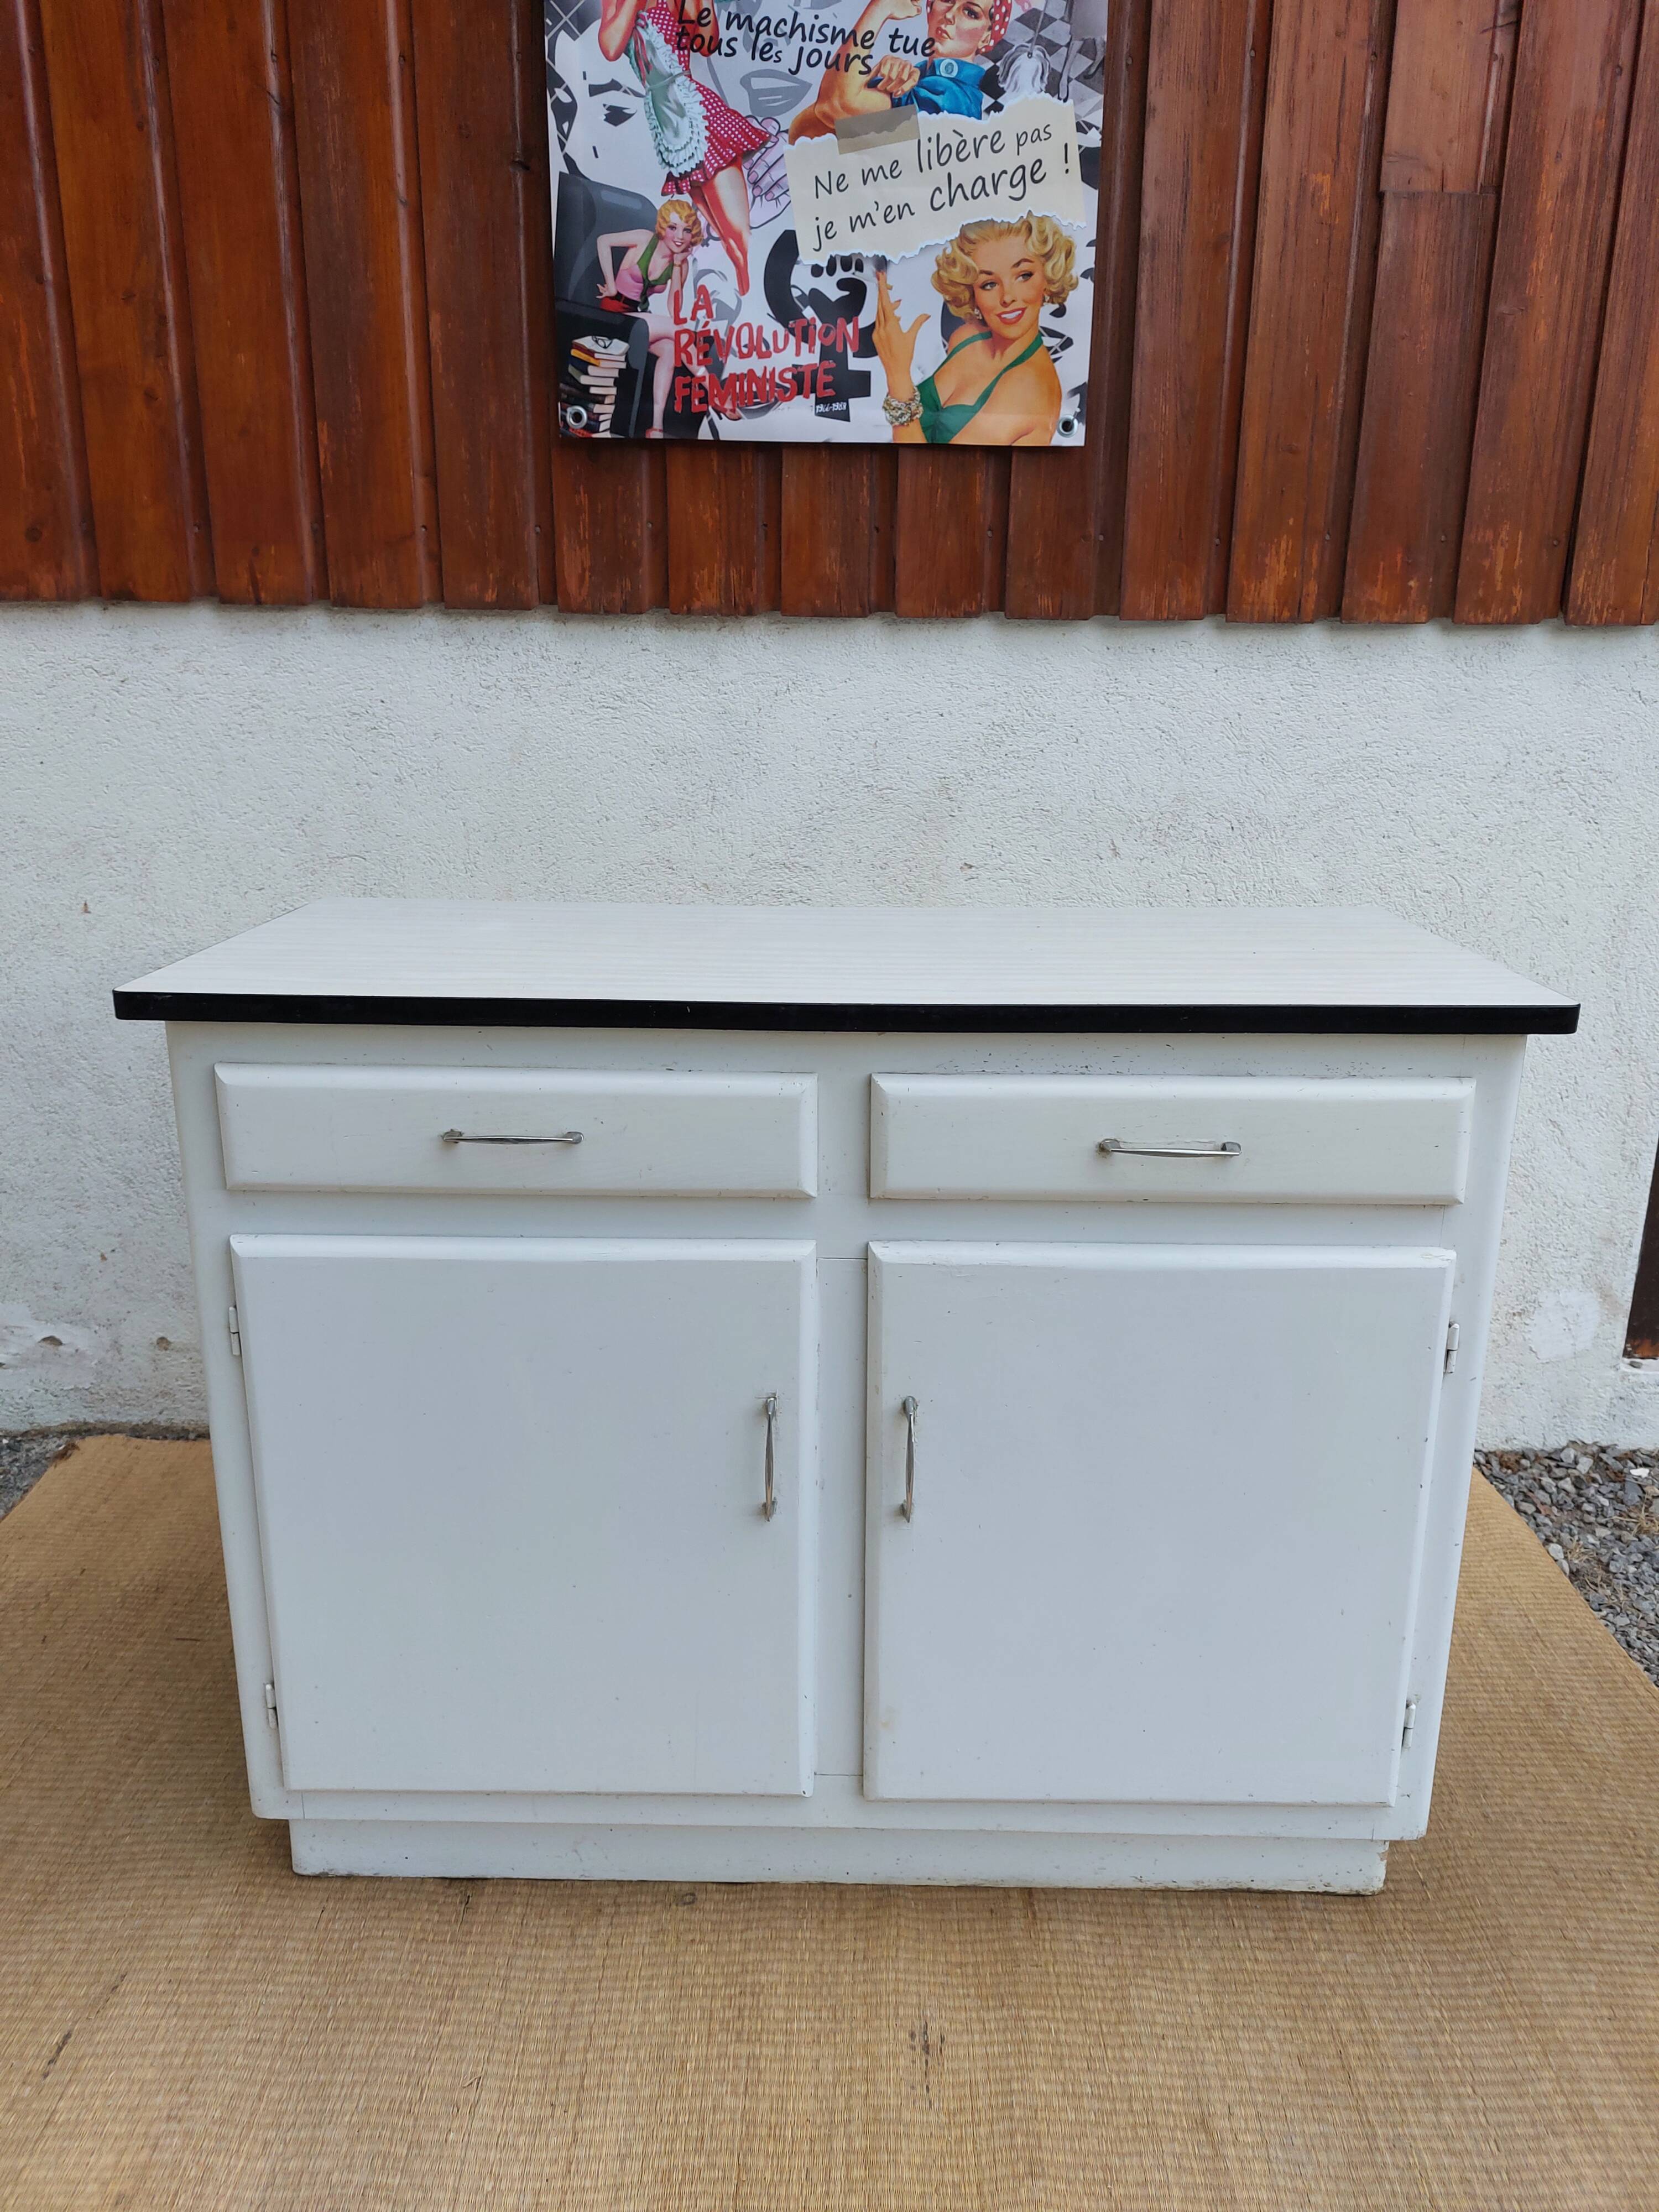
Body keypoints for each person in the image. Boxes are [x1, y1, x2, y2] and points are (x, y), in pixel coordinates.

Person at [598, 0, 767, 293]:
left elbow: (707, 41)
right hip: (668, 124)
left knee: (738, 236)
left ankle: (751, 296)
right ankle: (743, 297)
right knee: (725, 236)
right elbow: (611, 49)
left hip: (696, 114)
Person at [873, 215, 1076, 445]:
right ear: (973, 292)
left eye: (1024, 276)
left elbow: (932, 470)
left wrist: (898, 376)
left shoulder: (1030, 390)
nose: (1007, 297)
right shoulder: (966, 338)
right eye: (989, 284)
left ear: (1048, 278)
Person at [789, 0, 1012, 143]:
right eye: (946, 0)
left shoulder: (951, 100)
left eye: (971, 13)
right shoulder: (921, 77)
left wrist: (880, 8)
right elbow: (809, 130)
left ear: (986, 36)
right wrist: (871, 76)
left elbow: (834, 107)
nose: (951, 15)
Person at [597, 200, 706, 436]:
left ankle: (656, 427)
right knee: (676, 330)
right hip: (610, 317)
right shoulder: (645, 239)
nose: (679, 236)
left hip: (636, 320)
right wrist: (612, 285)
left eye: (686, 230)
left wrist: (677, 266)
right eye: (673, 228)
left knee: (670, 350)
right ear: (663, 227)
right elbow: (603, 241)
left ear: (693, 235)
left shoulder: (681, 264)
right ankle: (713, 388)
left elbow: (674, 310)